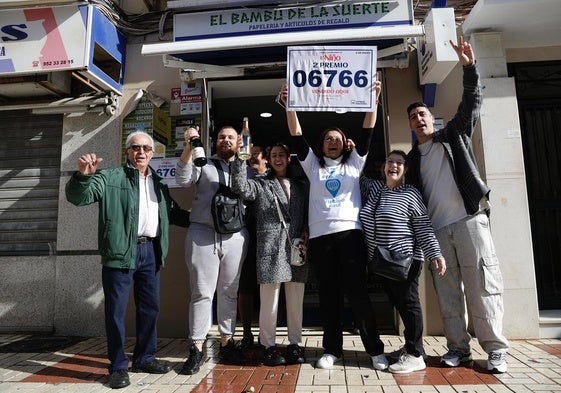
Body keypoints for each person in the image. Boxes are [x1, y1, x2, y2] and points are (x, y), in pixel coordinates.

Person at [405, 37, 510, 373]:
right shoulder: (410, 161)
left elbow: (472, 101)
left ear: (431, 117)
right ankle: (457, 349)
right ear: (410, 126)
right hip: (437, 233)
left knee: (483, 285)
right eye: (413, 118)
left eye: (422, 113)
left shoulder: (454, 136)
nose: (419, 119)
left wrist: (469, 67)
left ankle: (495, 349)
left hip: (469, 220)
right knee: (448, 293)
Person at [65, 131, 190, 389]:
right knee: (116, 313)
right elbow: (78, 197)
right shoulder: (110, 177)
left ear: (152, 154)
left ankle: (145, 358)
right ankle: (119, 366)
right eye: (135, 147)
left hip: (151, 252)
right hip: (121, 252)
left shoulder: (158, 183)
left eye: (146, 148)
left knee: (149, 309)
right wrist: (82, 177)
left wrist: (206, 219)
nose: (141, 152)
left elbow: (173, 213)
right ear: (127, 152)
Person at [281, 80, 389, 371]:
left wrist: (373, 99)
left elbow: (367, 131)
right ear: (322, 144)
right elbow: (296, 134)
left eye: (338, 138)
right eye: (328, 138)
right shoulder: (312, 166)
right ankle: (332, 350)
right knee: (328, 297)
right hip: (320, 239)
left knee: (357, 294)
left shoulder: (354, 164)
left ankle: (376, 351)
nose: (333, 142)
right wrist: (291, 104)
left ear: (345, 144)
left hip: (351, 236)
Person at [360, 150, 446, 373]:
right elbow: (355, 173)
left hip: (405, 259)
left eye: (399, 163)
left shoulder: (410, 193)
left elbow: (423, 226)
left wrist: (435, 254)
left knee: (409, 305)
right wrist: (352, 150)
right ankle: (412, 347)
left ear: (405, 169)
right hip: (382, 261)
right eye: (390, 161)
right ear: (383, 166)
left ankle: (416, 355)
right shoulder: (375, 190)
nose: (394, 166)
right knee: (400, 305)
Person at [175, 125, 249, 375]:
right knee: (201, 294)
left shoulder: (246, 166)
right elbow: (182, 179)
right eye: (221, 137)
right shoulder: (202, 161)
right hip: (203, 233)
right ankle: (196, 348)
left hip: (235, 236)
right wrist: (188, 147)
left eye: (231, 137)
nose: (226, 140)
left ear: (239, 142)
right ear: (215, 141)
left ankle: (227, 344)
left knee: (229, 292)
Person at [230, 143, 309, 366]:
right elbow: (239, 187)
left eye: (281, 155)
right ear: (268, 159)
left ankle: (294, 344)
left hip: (296, 248)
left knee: (296, 299)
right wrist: (239, 158)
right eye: (273, 155)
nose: (277, 159)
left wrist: (306, 233)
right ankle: (268, 346)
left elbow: (306, 215)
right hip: (271, 248)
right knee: (269, 301)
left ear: (289, 158)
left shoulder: (301, 186)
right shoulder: (261, 184)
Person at [236, 144, 269, 351]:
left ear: (266, 158)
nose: (252, 155)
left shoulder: (274, 179)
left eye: (257, 152)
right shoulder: (244, 178)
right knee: (245, 287)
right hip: (246, 236)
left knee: (269, 289)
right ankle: (247, 333)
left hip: (270, 239)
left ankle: (268, 334)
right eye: (250, 152)